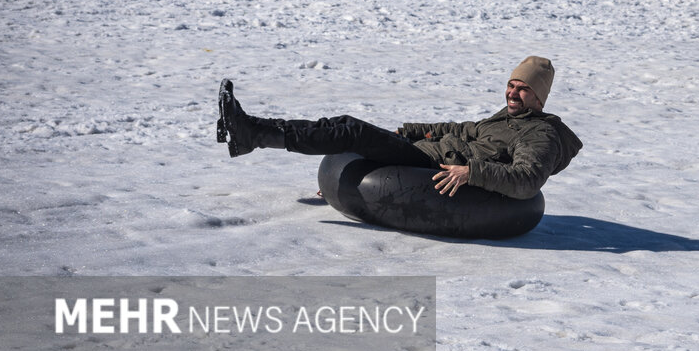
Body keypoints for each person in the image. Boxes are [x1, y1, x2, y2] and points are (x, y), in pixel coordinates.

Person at [215, 57, 582, 201]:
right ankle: (251, 134)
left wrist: (473, 172)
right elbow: (461, 129)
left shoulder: (540, 134)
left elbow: (527, 178)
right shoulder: (505, 118)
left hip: (433, 169)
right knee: (354, 132)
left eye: (523, 89)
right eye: (511, 84)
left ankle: (253, 134)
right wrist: (404, 131)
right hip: (424, 154)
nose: (513, 93)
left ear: (540, 98)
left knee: (349, 129)